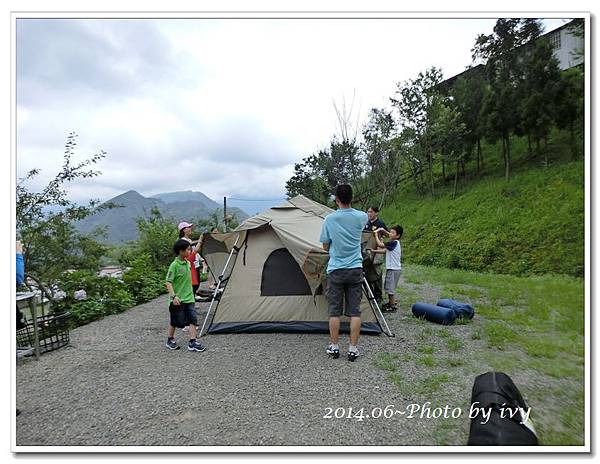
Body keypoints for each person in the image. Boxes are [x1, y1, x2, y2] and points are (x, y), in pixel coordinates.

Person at [320, 184, 368, 362]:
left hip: (336, 269)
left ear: (337, 199)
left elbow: (325, 245)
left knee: (334, 311)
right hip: (355, 268)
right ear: (352, 198)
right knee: (355, 312)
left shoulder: (330, 220)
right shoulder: (362, 216)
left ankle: (334, 347)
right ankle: (353, 349)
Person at [165, 239, 206, 352]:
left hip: (189, 298)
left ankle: (192, 342)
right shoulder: (174, 265)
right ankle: (170, 339)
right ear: (181, 251)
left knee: (193, 320)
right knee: (175, 322)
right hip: (177, 300)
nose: (190, 251)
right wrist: (174, 296)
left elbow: (195, 252)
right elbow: (168, 282)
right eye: (188, 249)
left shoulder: (188, 262)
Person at [372, 225, 403, 312]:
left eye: (393, 233)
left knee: (390, 289)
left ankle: (392, 306)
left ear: (398, 236)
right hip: (395, 269)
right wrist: (374, 251)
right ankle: (391, 302)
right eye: (390, 232)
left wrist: (375, 235)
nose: (390, 234)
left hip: (393, 269)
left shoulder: (393, 243)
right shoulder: (395, 243)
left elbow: (380, 245)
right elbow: (384, 251)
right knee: (390, 287)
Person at [362, 206, 388, 305]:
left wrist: (381, 242)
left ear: (376, 213)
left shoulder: (380, 224)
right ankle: (369, 294)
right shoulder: (366, 224)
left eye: (371, 212)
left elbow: (387, 235)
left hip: (377, 251)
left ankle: (378, 296)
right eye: (368, 212)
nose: (369, 214)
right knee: (367, 272)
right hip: (367, 251)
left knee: (376, 273)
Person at [178, 222, 204, 296]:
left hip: (194, 264)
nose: (190, 229)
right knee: (193, 283)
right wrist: (200, 240)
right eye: (188, 227)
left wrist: (200, 258)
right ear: (184, 230)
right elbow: (194, 251)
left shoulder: (189, 240)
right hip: (189, 265)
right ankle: (190, 301)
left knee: (196, 282)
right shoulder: (183, 241)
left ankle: (192, 300)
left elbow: (195, 252)